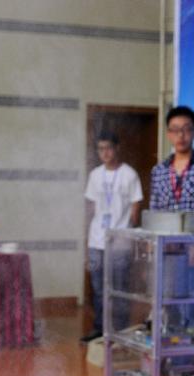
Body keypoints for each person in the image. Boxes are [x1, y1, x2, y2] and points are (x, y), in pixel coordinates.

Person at [81, 132, 143, 342]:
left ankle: (119, 331)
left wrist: (129, 234)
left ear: (117, 148)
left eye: (108, 148)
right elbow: (91, 206)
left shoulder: (129, 174)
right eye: (100, 149)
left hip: (120, 240)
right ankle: (100, 328)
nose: (105, 153)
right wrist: (88, 234)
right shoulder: (95, 175)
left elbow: (136, 206)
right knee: (99, 288)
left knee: (119, 288)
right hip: (97, 239)